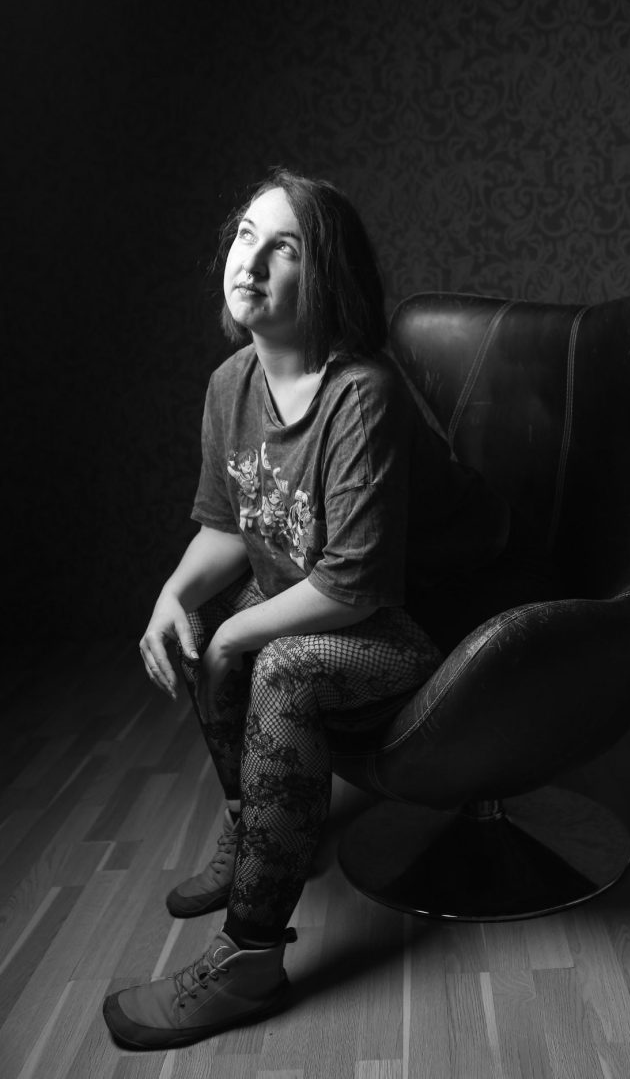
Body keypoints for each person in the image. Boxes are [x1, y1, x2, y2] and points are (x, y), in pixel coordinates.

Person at [102, 168, 509, 1050]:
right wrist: (172, 596)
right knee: (203, 624)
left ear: (325, 277)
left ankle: (250, 959)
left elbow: (355, 587)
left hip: (433, 621)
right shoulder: (229, 384)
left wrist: (234, 637)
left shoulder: (362, 392)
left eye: (282, 247)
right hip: (334, 599)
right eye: (245, 236)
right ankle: (259, 829)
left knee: (270, 660)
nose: (250, 261)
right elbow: (228, 524)